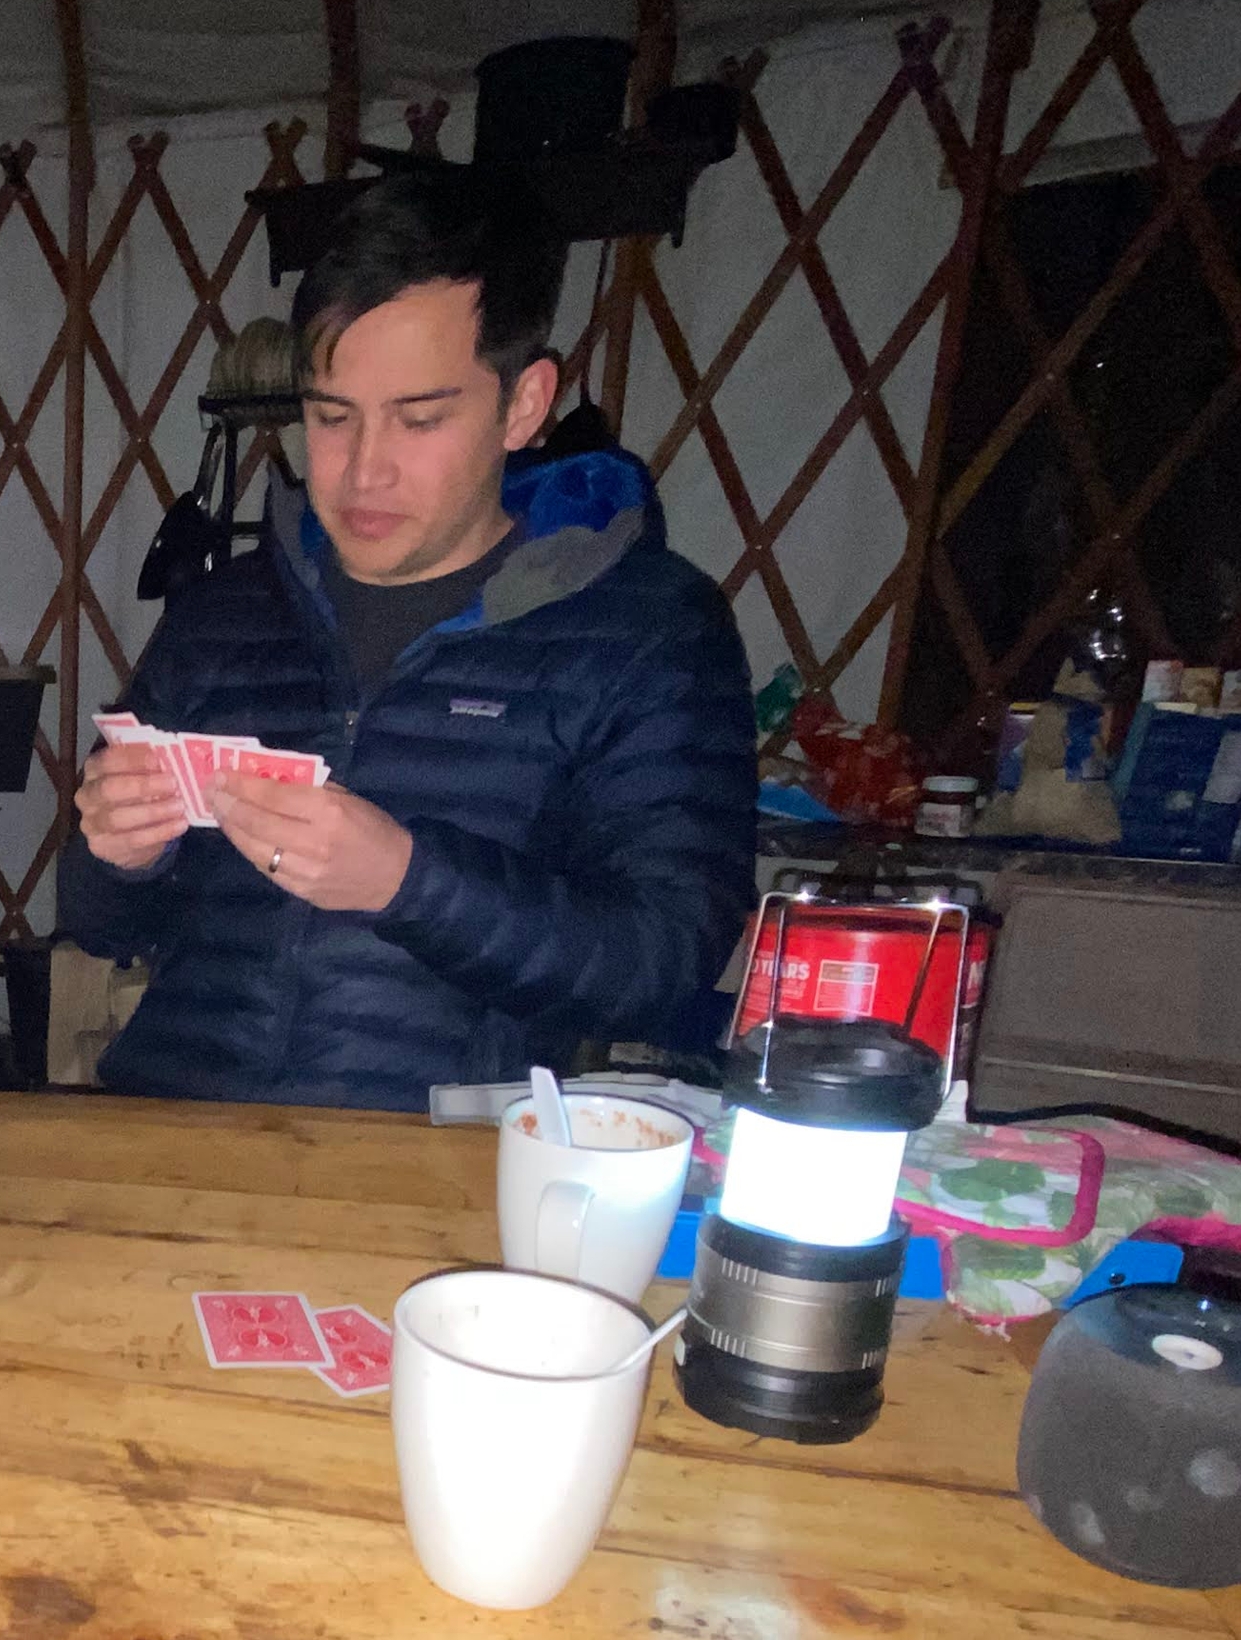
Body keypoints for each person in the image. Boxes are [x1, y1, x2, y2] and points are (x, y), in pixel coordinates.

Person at [56, 166, 757, 1112]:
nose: (363, 471)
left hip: (442, 1168)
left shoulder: (644, 631)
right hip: (180, 1137)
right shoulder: (224, 616)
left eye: (420, 418)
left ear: (524, 403)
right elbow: (98, 923)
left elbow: (663, 959)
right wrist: (120, 854)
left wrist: (409, 881)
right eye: (329, 417)